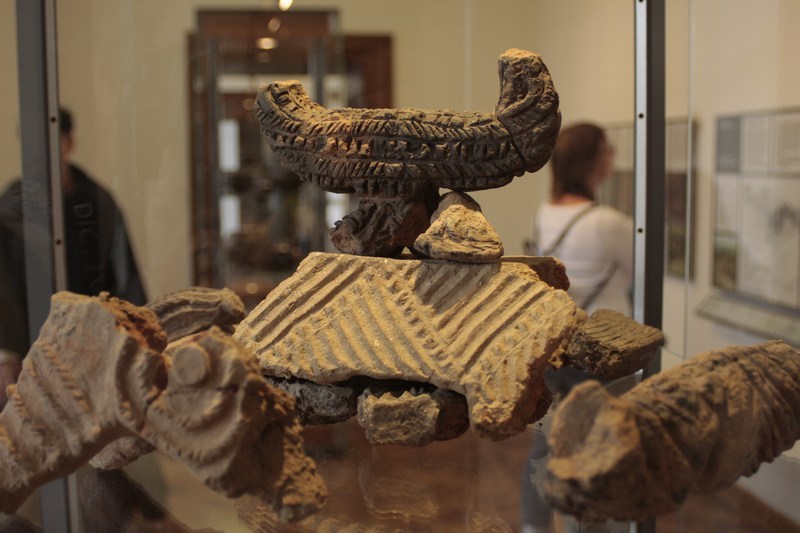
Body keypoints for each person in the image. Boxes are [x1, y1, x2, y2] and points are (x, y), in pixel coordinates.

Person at [0, 107, 147, 408]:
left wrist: (137, 345)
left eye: (50, 140)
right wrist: (5, 352)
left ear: (68, 142)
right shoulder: (10, 208)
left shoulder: (99, 202)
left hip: (93, 352)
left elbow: (125, 278)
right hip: (29, 352)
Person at [531, 122, 633, 316]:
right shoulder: (607, 221)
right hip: (608, 326)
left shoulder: (543, 212)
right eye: (607, 148)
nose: (612, 154)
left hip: (564, 321)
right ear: (591, 160)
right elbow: (646, 270)